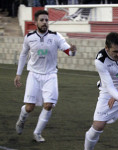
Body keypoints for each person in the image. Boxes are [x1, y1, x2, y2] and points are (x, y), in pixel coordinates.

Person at [14, 10, 77, 142]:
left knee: (48, 105)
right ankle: (21, 120)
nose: (44, 23)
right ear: (35, 22)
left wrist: (72, 51)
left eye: (46, 20)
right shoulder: (29, 37)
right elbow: (23, 55)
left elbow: (68, 51)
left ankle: (37, 133)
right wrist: (18, 74)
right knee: (29, 107)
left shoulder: (55, 36)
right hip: (34, 75)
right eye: (42, 20)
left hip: (50, 75)